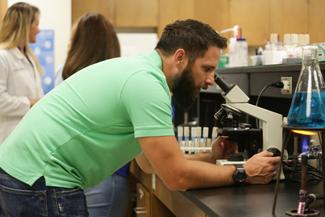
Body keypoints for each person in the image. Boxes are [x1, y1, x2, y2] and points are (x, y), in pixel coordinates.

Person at [0, 19, 280, 217]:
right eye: (206, 69)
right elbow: (176, 177)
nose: (210, 80)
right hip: (41, 181)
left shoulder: (140, 73)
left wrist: (211, 156)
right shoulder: (147, 84)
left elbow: (150, 162)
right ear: (180, 57)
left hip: (19, 174)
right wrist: (244, 172)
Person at [55, 12, 130, 217]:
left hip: (65, 173)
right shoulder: (119, 76)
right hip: (107, 174)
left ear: (78, 42)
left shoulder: (63, 74)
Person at [0, 2, 43, 144]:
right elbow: (1, 101)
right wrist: (30, 103)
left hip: (29, 133)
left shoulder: (29, 57)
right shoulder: (3, 57)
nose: (39, 30)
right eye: (36, 24)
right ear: (24, 26)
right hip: (9, 135)